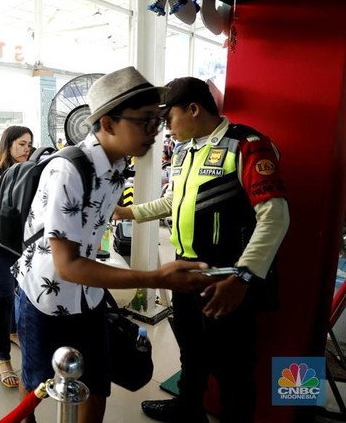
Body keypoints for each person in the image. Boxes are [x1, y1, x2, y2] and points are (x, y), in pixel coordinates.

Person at [13, 67, 216, 423]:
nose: (156, 133)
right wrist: (158, 277)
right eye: (146, 122)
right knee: (36, 385)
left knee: (97, 380)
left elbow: (97, 223)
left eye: (159, 121)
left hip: (89, 297)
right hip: (46, 298)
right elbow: (67, 265)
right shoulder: (68, 171)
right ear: (108, 124)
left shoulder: (118, 164)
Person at [115, 77, 290, 423]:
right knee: (191, 351)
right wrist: (128, 212)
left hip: (226, 279)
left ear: (193, 108)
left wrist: (243, 278)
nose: (167, 127)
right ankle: (188, 407)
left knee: (233, 366)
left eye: (169, 118)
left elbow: (275, 216)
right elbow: (173, 201)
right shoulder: (184, 151)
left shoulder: (247, 145)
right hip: (186, 274)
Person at [0, 125, 32, 389]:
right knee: (4, 303)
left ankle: (14, 334)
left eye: (29, 145)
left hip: (24, 249)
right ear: (9, 144)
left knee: (21, 299)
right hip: (0, 248)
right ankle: (3, 360)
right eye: (22, 144)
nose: (27, 149)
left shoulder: (28, 172)